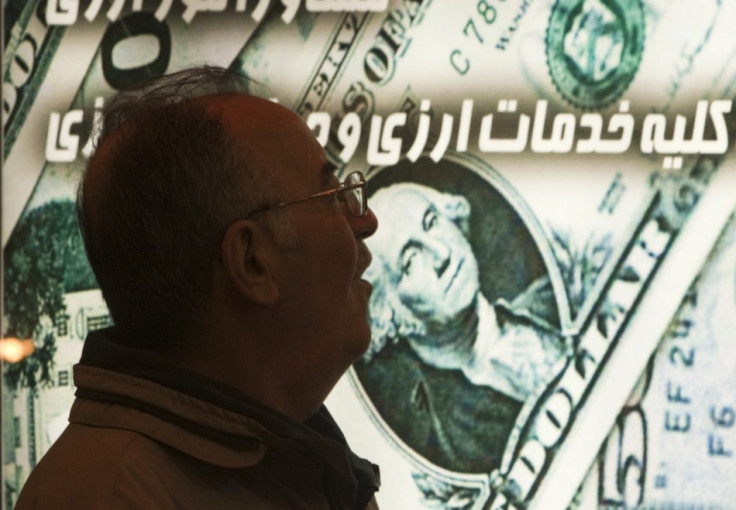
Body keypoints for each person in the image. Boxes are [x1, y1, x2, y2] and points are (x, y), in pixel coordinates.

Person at [15, 66, 380, 510]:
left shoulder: (285, 450)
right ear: (251, 261)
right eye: (332, 197)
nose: (365, 220)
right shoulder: (111, 496)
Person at [354, 182, 567, 474]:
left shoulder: (553, 299)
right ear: (391, 313)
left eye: (431, 223)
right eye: (411, 261)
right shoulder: (449, 445)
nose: (442, 254)